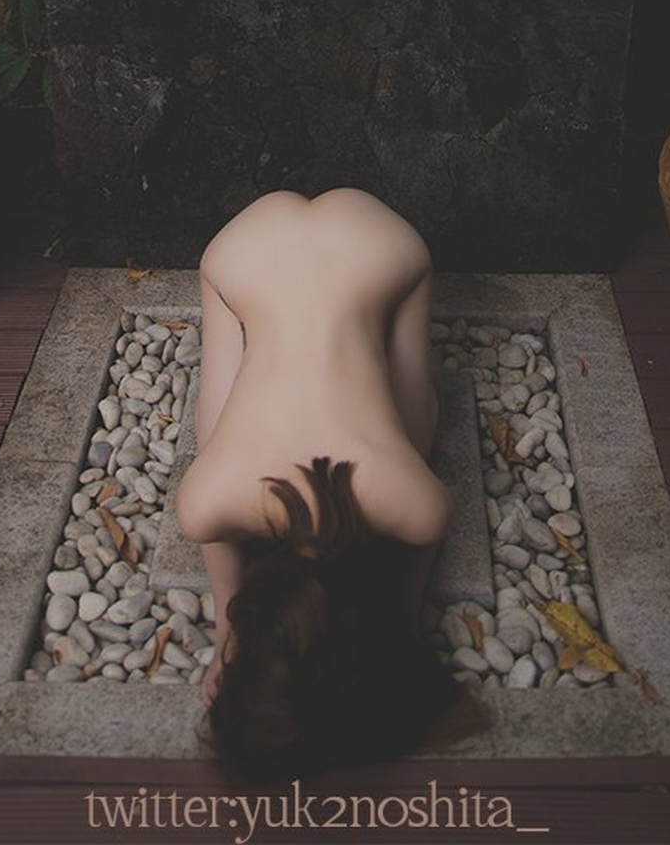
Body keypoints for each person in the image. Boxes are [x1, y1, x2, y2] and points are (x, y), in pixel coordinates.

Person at [175, 187, 458, 780]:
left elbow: (419, 429)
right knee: (220, 438)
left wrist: (225, 633)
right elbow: (215, 452)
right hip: (313, 244)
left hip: (282, 245)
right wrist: (228, 633)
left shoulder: (415, 508)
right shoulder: (207, 504)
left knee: (410, 434)